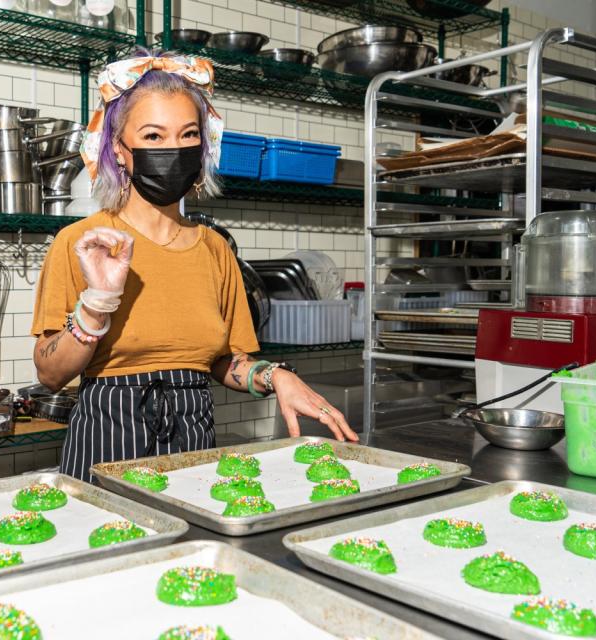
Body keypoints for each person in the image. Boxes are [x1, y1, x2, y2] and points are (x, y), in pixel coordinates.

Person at [31, 49, 357, 482]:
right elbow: (50, 373)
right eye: (153, 136)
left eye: (188, 135)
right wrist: (97, 302)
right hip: (107, 438)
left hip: (194, 439)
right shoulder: (83, 243)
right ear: (119, 150)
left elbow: (225, 361)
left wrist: (275, 375)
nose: (175, 148)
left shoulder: (215, 250)